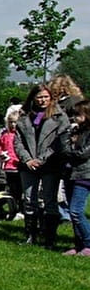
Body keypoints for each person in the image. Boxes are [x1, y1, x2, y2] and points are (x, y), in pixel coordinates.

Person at [16, 83, 70, 248]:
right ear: (33, 98)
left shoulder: (60, 117)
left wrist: (41, 159)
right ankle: (30, 236)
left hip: (50, 165)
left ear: (51, 98)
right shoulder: (24, 117)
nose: (42, 100)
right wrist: (27, 159)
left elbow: (60, 143)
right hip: (28, 165)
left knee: (49, 200)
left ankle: (50, 238)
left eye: (46, 97)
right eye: (39, 97)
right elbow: (17, 142)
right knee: (29, 200)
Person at [56, 100, 90, 256]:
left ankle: (88, 243)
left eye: (78, 114)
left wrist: (68, 148)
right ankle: (78, 244)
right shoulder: (76, 131)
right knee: (71, 211)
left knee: (76, 211)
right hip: (70, 174)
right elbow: (64, 148)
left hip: (84, 175)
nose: (74, 118)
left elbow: (82, 153)